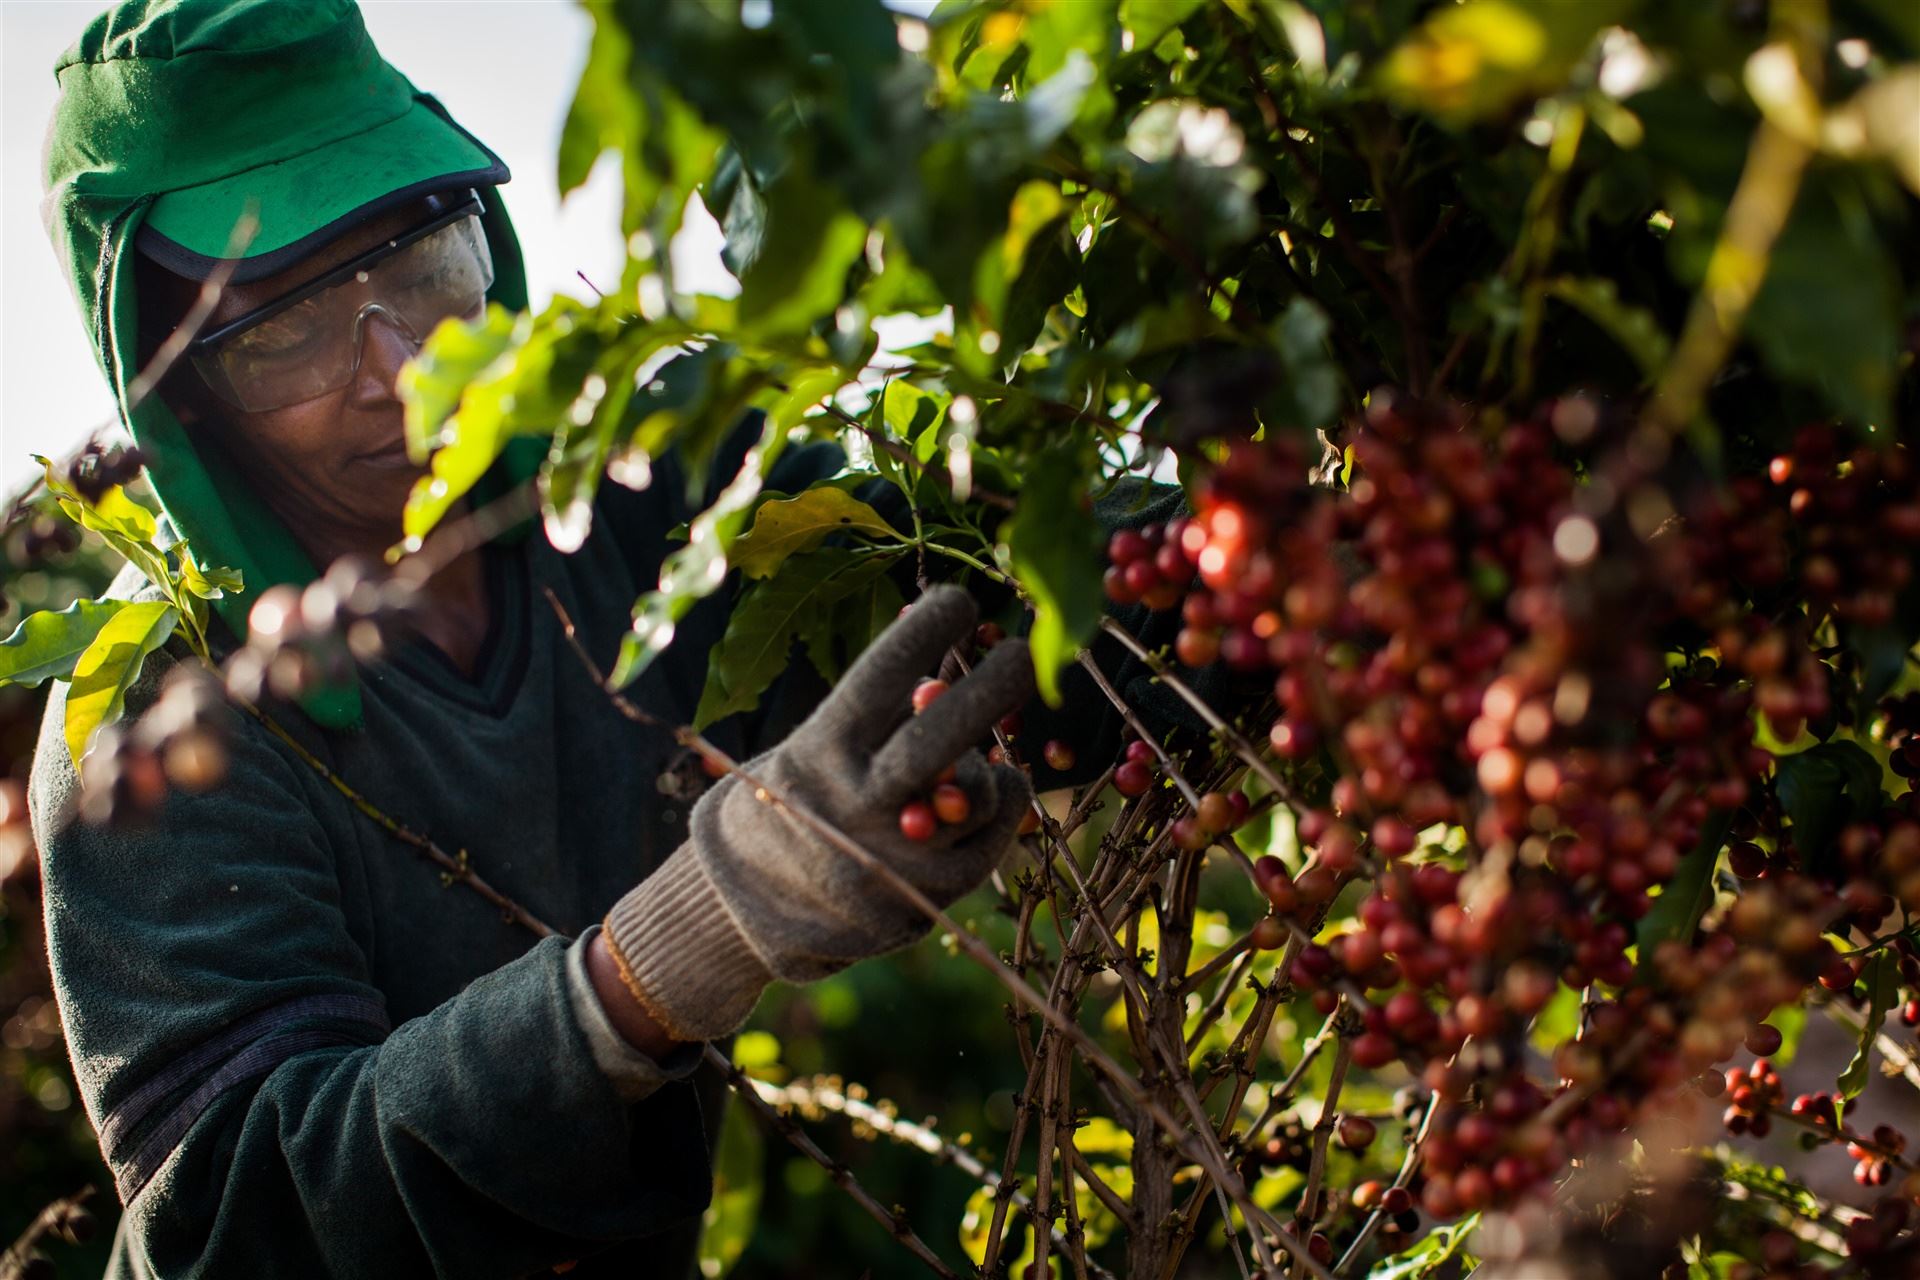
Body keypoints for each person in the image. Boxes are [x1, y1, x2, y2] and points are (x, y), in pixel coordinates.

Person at [29, 1, 1213, 1276]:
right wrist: (670, 954)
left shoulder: (642, 496)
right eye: (286, 332)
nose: (399, 369)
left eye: (425, 266)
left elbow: (1026, 594)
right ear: (175, 381)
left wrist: (1278, 552)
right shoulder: (154, 731)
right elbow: (242, 1220)